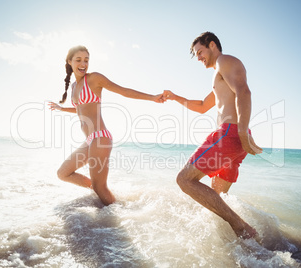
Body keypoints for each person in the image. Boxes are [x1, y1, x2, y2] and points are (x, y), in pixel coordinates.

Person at [163, 32, 262, 239]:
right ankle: (245, 243)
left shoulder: (225, 61)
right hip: (235, 137)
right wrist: (174, 97)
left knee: (184, 180)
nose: (198, 58)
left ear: (212, 45)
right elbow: (201, 106)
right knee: (215, 199)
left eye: (200, 52)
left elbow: (244, 92)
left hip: (230, 134)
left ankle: (242, 227)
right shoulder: (219, 74)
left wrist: (242, 131)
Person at [49, 45, 164, 206]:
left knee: (99, 187)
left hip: (100, 138)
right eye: (78, 60)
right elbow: (81, 110)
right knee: (63, 173)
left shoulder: (94, 78)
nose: (83, 63)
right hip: (90, 140)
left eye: (86, 60)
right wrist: (62, 109)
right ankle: (101, 199)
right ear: (69, 62)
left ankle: (118, 217)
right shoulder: (74, 86)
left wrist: (152, 97)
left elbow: (123, 91)